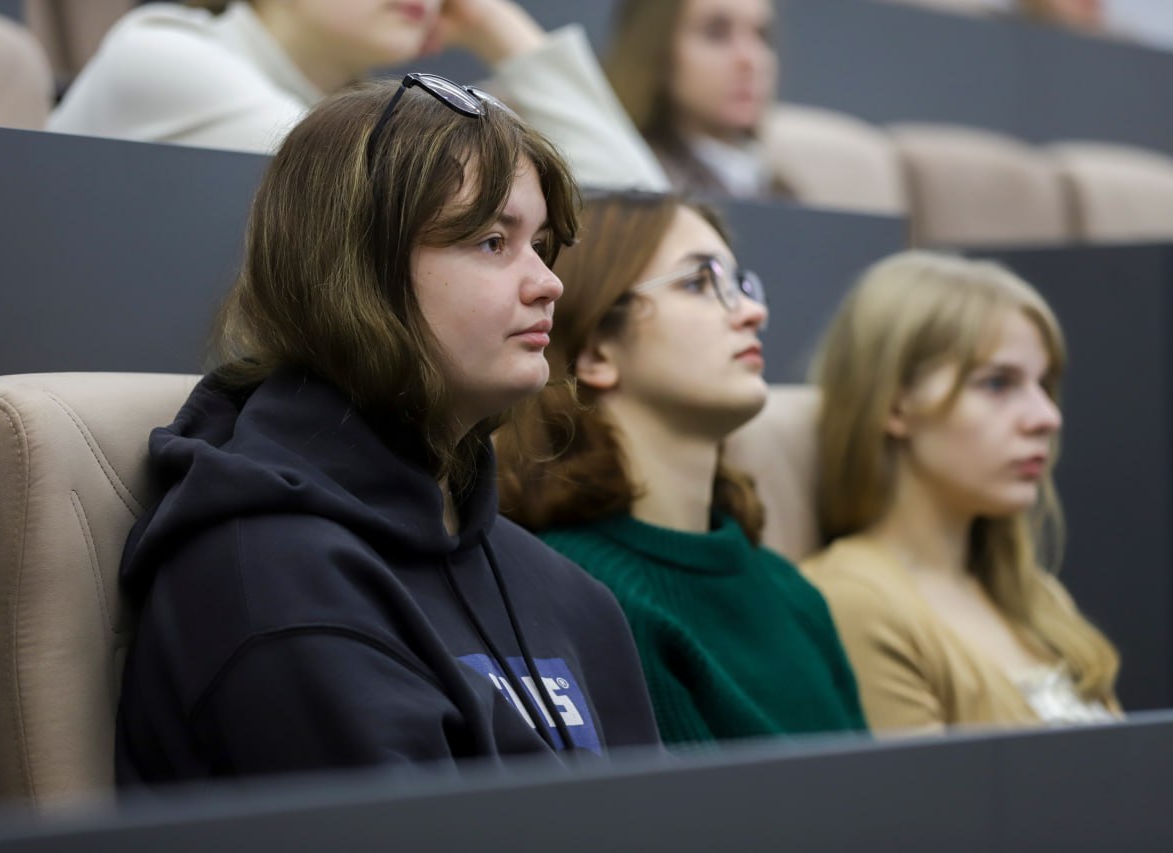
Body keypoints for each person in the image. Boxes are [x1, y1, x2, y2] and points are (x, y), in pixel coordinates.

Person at [115, 75, 662, 785]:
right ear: (357, 270)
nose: (549, 282)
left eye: (542, 244)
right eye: (492, 241)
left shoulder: (569, 595)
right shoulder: (272, 582)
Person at [497, 191, 866, 746]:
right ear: (597, 351)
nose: (754, 312)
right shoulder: (582, 596)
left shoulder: (790, 591)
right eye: (698, 283)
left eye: (740, 285)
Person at [802, 251, 1121, 732]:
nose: (1046, 417)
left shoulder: (1035, 596)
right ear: (895, 405)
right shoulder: (853, 601)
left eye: (1044, 385)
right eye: (997, 384)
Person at [47, 0, 668, 190]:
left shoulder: (380, 108)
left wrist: (501, 29)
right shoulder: (165, 55)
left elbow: (637, 222)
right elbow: (433, 213)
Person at [605, 0, 787, 199]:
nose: (750, 59)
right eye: (717, 33)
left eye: (761, 35)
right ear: (658, 49)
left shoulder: (777, 186)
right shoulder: (630, 180)